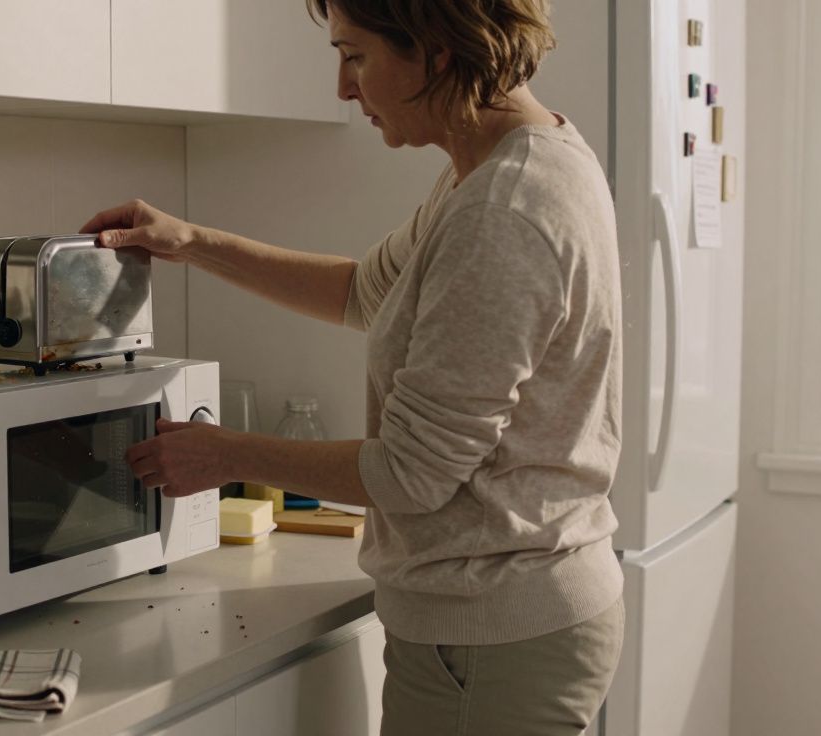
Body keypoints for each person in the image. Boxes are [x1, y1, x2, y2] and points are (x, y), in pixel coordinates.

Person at [80, 1, 623, 733]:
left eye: (356, 55)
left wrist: (223, 453)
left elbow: (411, 474)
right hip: (504, 617)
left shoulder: (505, 206)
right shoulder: (495, 169)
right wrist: (192, 241)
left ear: (433, 48)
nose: (342, 85)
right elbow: (365, 290)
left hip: (492, 636)